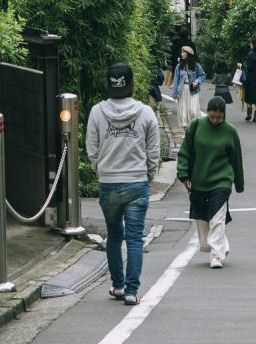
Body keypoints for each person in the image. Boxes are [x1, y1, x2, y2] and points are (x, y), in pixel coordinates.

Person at [85, 62, 163, 305]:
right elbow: (154, 151)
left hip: (109, 183)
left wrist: (102, 169)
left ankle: (117, 285)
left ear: (108, 84)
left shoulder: (97, 112)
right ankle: (131, 291)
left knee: (114, 236)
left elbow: (92, 149)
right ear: (132, 84)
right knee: (135, 238)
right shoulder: (145, 113)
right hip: (136, 181)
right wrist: (149, 175)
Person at [176, 94, 244, 269]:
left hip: (222, 180)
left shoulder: (230, 131)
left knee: (217, 217)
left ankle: (216, 255)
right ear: (207, 112)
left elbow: (236, 158)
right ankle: (214, 246)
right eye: (211, 116)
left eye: (218, 117)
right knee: (202, 218)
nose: (214, 120)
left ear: (224, 114)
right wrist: (183, 174)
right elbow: (185, 152)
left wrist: (239, 183)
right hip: (199, 179)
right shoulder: (196, 126)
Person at [170, 46, 205, 129]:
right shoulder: (179, 66)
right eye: (181, 52)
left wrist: (197, 82)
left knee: (193, 111)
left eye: (184, 52)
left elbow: (202, 76)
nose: (181, 54)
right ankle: (186, 133)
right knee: (184, 112)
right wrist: (174, 93)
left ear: (188, 54)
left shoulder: (196, 66)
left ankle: (193, 130)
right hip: (182, 90)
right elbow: (176, 80)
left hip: (193, 90)